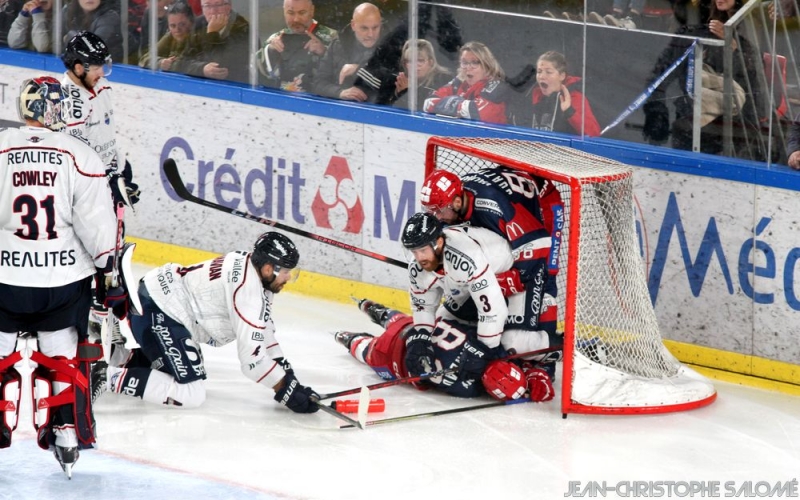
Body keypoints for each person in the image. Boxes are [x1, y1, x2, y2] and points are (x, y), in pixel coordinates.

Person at [0, 76, 121, 477]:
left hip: (4, 280)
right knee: (61, 354)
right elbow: (97, 226)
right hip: (62, 282)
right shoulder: (80, 155)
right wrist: (108, 271)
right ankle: (66, 430)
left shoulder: (1, 147)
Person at [335, 213, 556, 401]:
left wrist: (483, 350)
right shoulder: (420, 267)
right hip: (471, 284)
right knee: (442, 326)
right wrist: (420, 338)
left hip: (515, 274)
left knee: (512, 341)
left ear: (438, 243)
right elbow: (423, 307)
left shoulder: (465, 258)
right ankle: (382, 315)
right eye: (413, 251)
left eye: (422, 250)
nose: (418, 258)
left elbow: (493, 310)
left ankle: (556, 354)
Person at [99, 232, 320, 414]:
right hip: (158, 311)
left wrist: (287, 376)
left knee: (182, 367)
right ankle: (102, 376)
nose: (289, 277)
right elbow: (252, 362)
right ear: (268, 268)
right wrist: (285, 387)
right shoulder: (248, 294)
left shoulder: (249, 264)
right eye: (286, 271)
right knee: (189, 393)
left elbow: (264, 330)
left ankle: (121, 358)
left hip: (157, 300)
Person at [419, 167, 564, 378]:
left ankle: (556, 353)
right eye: (430, 211)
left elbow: (539, 243)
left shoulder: (492, 206)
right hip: (515, 197)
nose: (435, 217)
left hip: (543, 204)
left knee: (545, 274)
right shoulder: (457, 204)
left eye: (439, 211)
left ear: (457, 202)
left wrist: (514, 278)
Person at [60, 31, 141, 350]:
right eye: (96, 67)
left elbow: (107, 137)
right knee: (94, 251)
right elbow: (76, 155)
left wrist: (122, 171)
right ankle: (92, 317)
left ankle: (108, 319)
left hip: (109, 178)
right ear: (78, 67)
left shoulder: (101, 86)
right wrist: (106, 180)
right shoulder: (66, 101)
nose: (102, 73)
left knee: (114, 252)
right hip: (85, 189)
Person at [334, 298, 553, 402]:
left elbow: (503, 361)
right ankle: (345, 338)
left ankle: (371, 307)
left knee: (397, 319)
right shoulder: (468, 390)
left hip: (412, 329)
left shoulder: (488, 345)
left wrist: (529, 373)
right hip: (392, 360)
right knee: (366, 350)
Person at [642, 0, 765, 159]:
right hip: (691, 116)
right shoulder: (694, 29)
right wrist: (656, 111)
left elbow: (754, 83)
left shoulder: (750, 31)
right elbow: (661, 74)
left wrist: (734, 49)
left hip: (734, 121)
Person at [510, 51, 601, 136]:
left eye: (548, 72)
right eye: (539, 71)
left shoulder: (573, 98)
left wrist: (569, 111)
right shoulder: (531, 96)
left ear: (562, 76)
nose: (542, 76)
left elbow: (594, 133)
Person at [256, 0, 338, 92]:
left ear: (312, 11)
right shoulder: (276, 38)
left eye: (302, 13)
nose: (296, 19)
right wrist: (270, 50)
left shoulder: (332, 37)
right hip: (281, 97)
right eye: (290, 13)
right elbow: (254, 73)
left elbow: (344, 75)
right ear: (284, 12)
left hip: (319, 98)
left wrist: (324, 52)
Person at [423, 41, 510, 125]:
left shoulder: (497, 86)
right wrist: (459, 105)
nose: (468, 67)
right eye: (464, 63)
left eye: (474, 62)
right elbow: (428, 103)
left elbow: (475, 111)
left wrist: (448, 103)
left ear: (487, 65)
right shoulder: (459, 83)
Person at [312, 2, 381, 101]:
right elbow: (318, 83)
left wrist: (358, 70)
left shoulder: (391, 47)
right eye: (364, 28)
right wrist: (340, 93)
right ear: (353, 25)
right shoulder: (337, 45)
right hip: (338, 108)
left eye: (375, 28)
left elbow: (391, 85)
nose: (371, 34)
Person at [173, 0, 249, 83]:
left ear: (228, 7)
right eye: (207, 6)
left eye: (218, 5)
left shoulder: (242, 28)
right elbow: (181, 62)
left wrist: (212, 33)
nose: (213, 11)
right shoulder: (199, 24)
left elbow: (220, 69)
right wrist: (202, 69)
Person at [391, 39, 452, 110]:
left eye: (420, 60)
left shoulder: (443, 80)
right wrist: (398, 93)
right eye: (410, 61)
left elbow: (431, 108)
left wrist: (406, 92)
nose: (414, 65)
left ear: (431, 62)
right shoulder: (400, 80)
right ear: (405, 64)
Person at [138, 1, 194, 71]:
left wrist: (172, 64)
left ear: (191, 22)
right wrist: (160, 62)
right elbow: (144, 58)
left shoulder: (198, 36)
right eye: (172, 26)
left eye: (182, 24)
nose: (177, 29)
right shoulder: (170, 35)